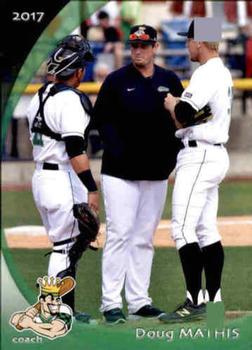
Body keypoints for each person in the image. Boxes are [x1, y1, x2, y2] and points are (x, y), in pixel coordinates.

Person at [93, 24, 184, 324]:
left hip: (156, 172)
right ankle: (110, 303)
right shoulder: (116, 81)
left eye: (144, 45)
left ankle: (139, 301)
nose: (138, 50)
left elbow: (180, 120)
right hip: (120, 172)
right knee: (119, 234)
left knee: (144, 238)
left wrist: (171, 156)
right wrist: (117, 149)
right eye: (133, 45)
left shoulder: (170, 80)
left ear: (155, 47)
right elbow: (101, 121)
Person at [159, 18, 233, 323]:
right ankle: (214, 303)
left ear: (199, 42)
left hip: (200, 156)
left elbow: (185, 113)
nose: (186, 45)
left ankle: (193, 301)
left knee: (182, 229)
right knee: (206, 230)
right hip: (214, 155)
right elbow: (196, 117)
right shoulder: (223, 72)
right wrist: (185, 115)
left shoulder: (205, 73)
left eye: (188, 40)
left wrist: (171, 103)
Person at [26, 35, 99, 323]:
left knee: (63, 245)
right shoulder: (70, 100)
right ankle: (58, 312)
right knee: (65, 248)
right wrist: (92, 189)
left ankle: (62, 309)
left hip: (41, 179)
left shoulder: (39, 94)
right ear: (78, 71)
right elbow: (74, 150)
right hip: (62, 179)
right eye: (83, 67)